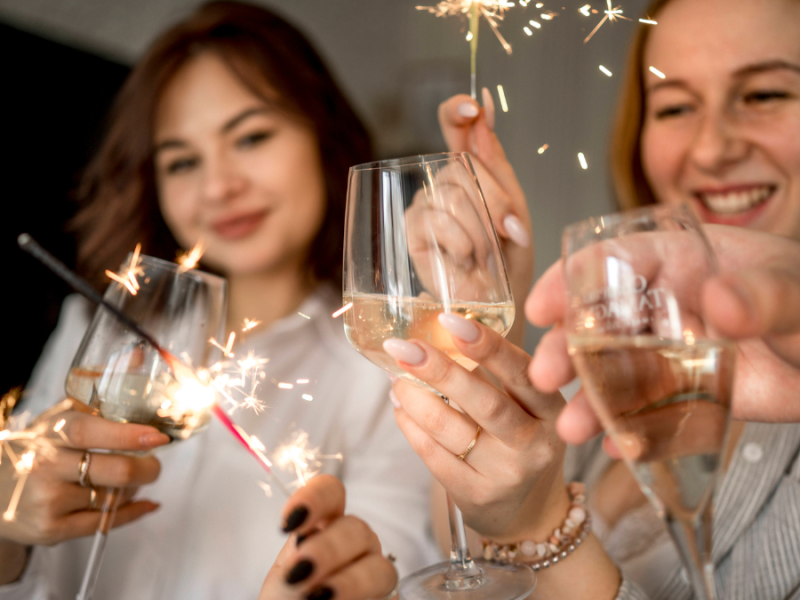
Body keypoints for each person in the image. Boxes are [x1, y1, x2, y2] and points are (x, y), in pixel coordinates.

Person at [0, 3, 443, 598]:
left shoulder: (384, 360)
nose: (219, 187)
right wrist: (7, 528)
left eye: (252, 136)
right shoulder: (96, 324)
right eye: (182, 161)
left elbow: (405, 570)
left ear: (323, 134)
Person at [387, 0, 800, 598]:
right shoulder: (615, 351)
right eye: (676, 106)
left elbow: (525, 534)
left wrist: (546, 532)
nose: (711, 149)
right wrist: (490, 300)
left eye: (765, 95)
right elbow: (480, 558)